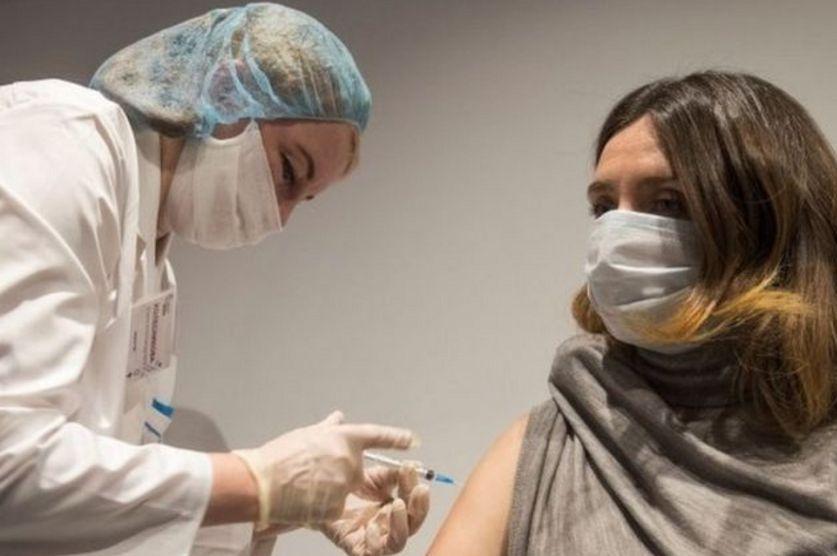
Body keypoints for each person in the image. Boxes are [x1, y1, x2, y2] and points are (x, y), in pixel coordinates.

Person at [0, 4, 428, 555]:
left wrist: (274, 511)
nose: (281, 218)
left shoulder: (156, 276)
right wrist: (255, 481)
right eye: (288, 171)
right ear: (225, 91)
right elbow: (10, 460)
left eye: (304, 200)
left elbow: (88, 509)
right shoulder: (67, 146)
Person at [429, 71, 837, 555]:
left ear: (766, 224)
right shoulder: (546, 444)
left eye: (667, 202)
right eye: (604, 207)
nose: (618, 232)